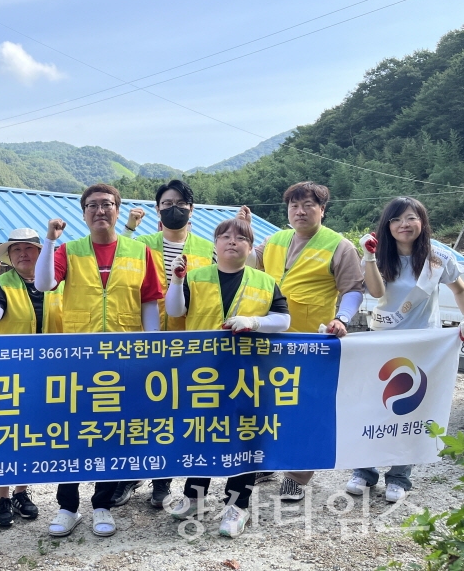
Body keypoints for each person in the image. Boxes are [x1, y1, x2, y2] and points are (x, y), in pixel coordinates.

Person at [34, 183, 164, 538]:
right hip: (79, 357)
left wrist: (151, 350)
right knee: (70, 431)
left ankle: (102, 504)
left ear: (118, 210)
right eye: (92, 205)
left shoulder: (140, 252)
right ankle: (67, 506)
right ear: (84, 213)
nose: (100, 210)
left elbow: (149, 302)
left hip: (123, 360)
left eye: (107, 204)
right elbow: (44, 284)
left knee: (111, 433)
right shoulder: (69, 251)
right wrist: (49, 240)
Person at [237, 181, 364, 500]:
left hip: (311, 343)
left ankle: (297, 476)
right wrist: (244, 234)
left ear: (322, 209)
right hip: (269, 341)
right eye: (294, 205)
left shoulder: (339, 246)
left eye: (308, 204)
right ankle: (267, 462)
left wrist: (342, 318)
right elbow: (250, 264)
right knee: (266, 405)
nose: (300, 210)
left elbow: (353, 289)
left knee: (306, 408)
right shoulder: (275, 240)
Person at [165, 218, 290, 538]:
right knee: (201, 433)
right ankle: (194, 497)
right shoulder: (195, 276)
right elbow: (176, 311)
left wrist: (254, 322)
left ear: (250, 247)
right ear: (215, 244)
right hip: (203, 373)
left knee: (245, 437)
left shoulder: (264, 281)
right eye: (224, 236)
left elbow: (283, 319)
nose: (232, 241)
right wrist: (177, 282)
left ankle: (238, 505)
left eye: (240, 237)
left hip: (247, 375)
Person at [345, 197, 464, 502]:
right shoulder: (379, 254)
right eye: (396, 220)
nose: (404, 225)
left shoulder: (437, 258)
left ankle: (400, 476)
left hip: (424, 346)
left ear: (422, 222)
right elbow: (375, 291)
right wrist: (368, 257)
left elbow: (459, 290)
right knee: (371, 407)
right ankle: (364, 472)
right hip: (383, 342)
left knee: (412, 408)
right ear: (388, 225)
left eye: (411, 218)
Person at [117, 179, 215, 508]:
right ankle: (130, 477)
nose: (174, 208)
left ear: (192, 208)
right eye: (166, 203)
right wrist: (129, 227)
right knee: (138, 411)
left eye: (180, 203)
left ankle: (163, 481)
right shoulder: (143, 243)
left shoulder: (207, 247)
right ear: (158, 209)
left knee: (176, 413)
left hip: (189, 344)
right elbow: (116, 254)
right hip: (145, 339)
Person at [0, 228, 60, 527]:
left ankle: (21, 492)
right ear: (9, 258)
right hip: (10, 373)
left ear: (41, 253)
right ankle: (3, 496)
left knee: (31, 435)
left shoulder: (55, 284)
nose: (24, 254)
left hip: (47, 373)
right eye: (16, 250)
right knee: (6, 434)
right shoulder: (1, 283)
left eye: (30, 248)